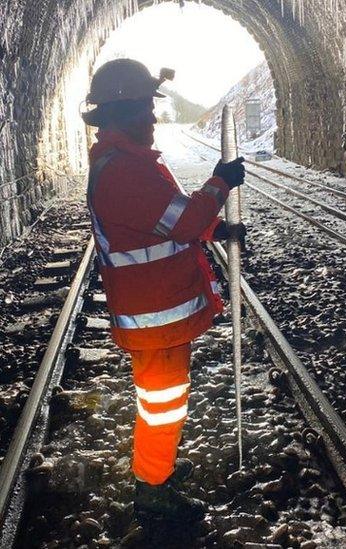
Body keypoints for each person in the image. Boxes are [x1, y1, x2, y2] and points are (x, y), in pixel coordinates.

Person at [81, 58, 246, 521]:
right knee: (162, 405)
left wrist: (216, 232)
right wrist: (219, 183)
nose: (153, 118)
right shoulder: (123, 171)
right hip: (154, 314)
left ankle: (159, 468)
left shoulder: (125, 163)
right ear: (123, 112)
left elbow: (166, 221)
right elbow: (184, 220)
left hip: (158, 309)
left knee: (165, 402)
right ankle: (153, 490)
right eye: (145, 109)